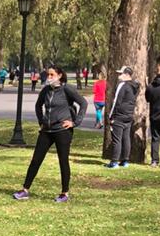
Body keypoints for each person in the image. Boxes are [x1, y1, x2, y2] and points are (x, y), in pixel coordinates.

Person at [13, 65, 87, 203]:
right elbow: (38, 105)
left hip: (62, 131)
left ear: (59, 76)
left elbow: (83, 103)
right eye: (48, 75)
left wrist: (75, 122)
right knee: (36, 160)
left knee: (63, 161)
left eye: (52, 75)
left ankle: (64, 193)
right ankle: (25, 190)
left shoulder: (67, 89)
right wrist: (41, 121)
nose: (49, 77)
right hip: (46, 130)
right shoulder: (46, 90)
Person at [104, 65, 139, 168]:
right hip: (128, 115)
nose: (119, 75)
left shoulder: (122, 85)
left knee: (117, 139)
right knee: (126, 138)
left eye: (121, 73)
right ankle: (125, 160)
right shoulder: (135, 86)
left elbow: (116, 102)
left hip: (119, 115)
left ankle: (114, 161)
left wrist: (111, 116)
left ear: (127, 75)